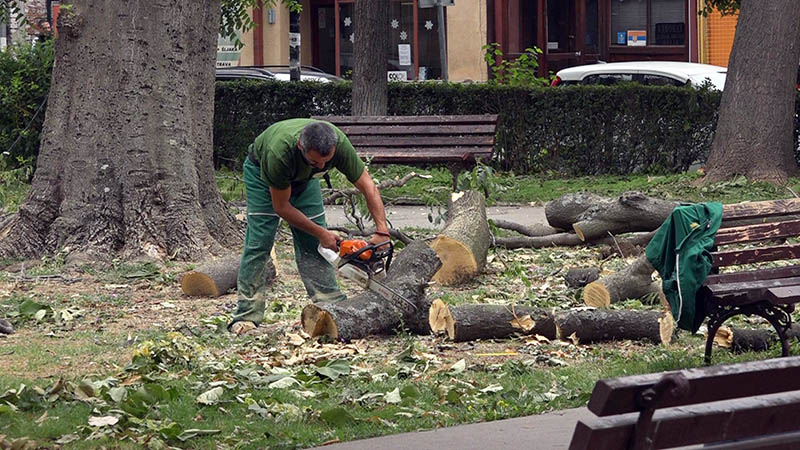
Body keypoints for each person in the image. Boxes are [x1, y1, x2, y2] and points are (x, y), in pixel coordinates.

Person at [229, 118, 390, 335]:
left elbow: (368, 186)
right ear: (300, 147)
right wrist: (322, 232)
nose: (322, 167)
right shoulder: (279, 152)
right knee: (260, 241)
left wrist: (382, 231)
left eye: (327, 162)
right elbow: (282, 207)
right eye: (316, 163)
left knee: (313, 244)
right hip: (262, 174)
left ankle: (331, 305)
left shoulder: (339, 144)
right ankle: (246, 315)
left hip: (305, 180)